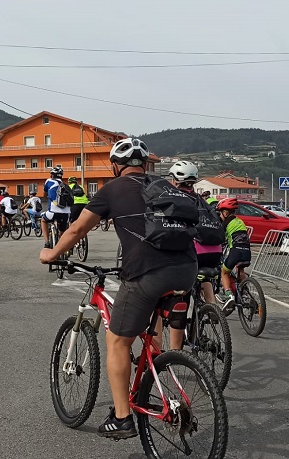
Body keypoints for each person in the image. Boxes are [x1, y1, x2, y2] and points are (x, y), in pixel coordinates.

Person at [40, 137, 196, 440]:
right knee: (149, 324)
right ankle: (160, 363)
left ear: (116, 165)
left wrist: (51, 254)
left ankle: (123, 417)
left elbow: (77, 229)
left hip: (147, 273)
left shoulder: (111, 190)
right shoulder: (165, 185)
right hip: (187, 271)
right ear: (146, 164)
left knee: (117, 341)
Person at [169, 160, 222, 305]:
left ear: (174, 180)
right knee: (204, 277)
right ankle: (212, 308)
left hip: (193, 254)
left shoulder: (175, 199)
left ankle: (179, 314)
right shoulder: (202, 200)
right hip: (215, 253)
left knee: (170, 280)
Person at [217, 197, 251, 313]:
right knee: (240, 270)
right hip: (247, 251)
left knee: (224, 272)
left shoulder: (225, 224)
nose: (220, 216)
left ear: (225, 212)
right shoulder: (240, 221)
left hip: (235, 251)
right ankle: (245, 292)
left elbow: (220, 239)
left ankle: (229, 295)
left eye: (221, 213)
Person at [40, 166, 70, 248]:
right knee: (62, 231)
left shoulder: (49, 181)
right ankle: (65, 249)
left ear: (52, 175)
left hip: (53, 212)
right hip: (66, 213)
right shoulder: (65, 185)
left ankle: (46, 242)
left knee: (43, 221)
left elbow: (44, 195)